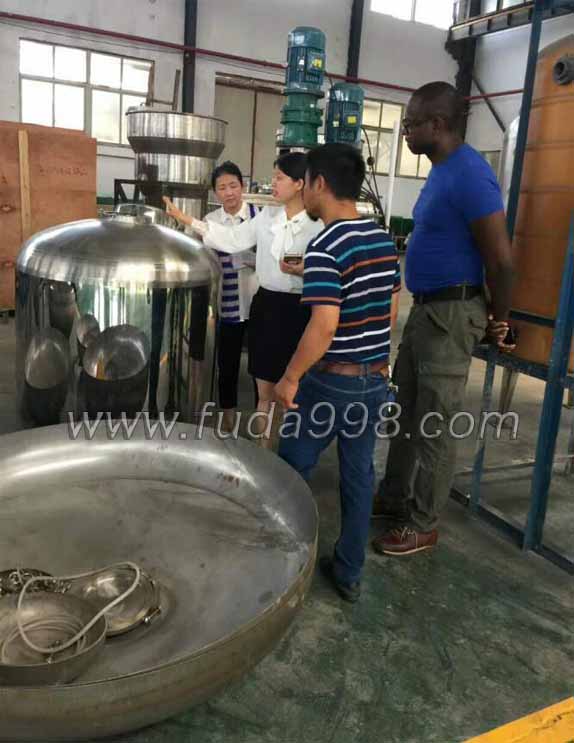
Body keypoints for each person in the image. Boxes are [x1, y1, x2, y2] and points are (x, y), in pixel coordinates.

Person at [371, 81, 515, 557]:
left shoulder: (471, 175)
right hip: (427, 309)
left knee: (434, 422)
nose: (405, 131)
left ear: (437, 124)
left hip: (452, 314)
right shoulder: (441, 171)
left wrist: (499, 320)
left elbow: (501, 260)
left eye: (411, 123)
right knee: (406, 410)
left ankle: (422, 522)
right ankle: (394, 497)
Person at [274, 143, 401, 603]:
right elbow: (390, 309)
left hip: (330, 382)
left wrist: (291, 377)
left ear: (320, 184)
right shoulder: (383, 240)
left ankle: (280, 565)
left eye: (305, 182)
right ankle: (349, 572)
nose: (303, 191)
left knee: (290, 468)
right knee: (359, 476)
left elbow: (324, 326)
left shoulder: (325, 245)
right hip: (374, 379)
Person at [164, 153, 323, 445]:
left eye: (279, 178)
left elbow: (331, 271)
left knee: (292, 388)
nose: (273, 183)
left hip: (300, 310)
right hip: (267, 306)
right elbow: (233, 238)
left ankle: (288, 448)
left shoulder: (318, 225)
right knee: (265, 390)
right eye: (273, 177)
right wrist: (186, 219)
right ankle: (264, 449)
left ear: (299, 183)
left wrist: (305, 270)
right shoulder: (267, 217)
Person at [206, 161, 258, 432]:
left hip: (258, 303)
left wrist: (251, 258)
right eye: (222, 188)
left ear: (242, 186)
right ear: (215, 192)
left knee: (261, 367)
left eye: (233, 186)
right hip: (227, 304)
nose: (229, 193)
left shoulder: (259, 217)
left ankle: (263, 418)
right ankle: (228, 419)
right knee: (227, 364)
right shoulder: (210, 222)